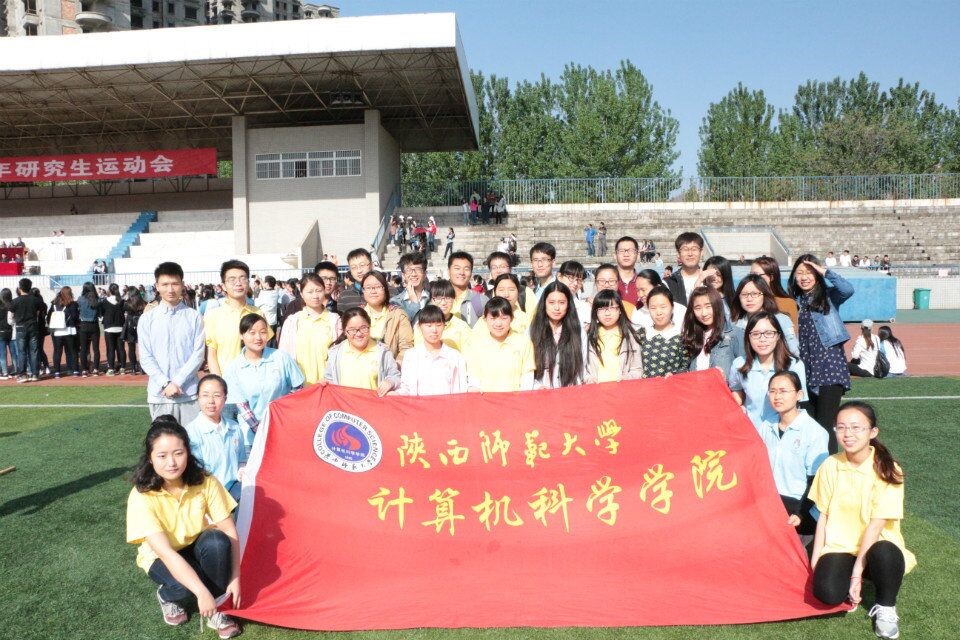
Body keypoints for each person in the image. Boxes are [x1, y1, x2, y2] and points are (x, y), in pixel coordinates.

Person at [126, 416, 242, 638]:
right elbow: (166, 552)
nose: (172, 462)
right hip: (161, 555)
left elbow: (229, 531)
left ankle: (217, 609)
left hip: (194, 543)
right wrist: (201, 591)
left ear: (188, 452)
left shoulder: (205, 481)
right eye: (162, 456)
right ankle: (167, 596)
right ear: (150, 458)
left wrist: (235, 578)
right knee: (184, 587)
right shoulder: (141, 496)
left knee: (217, 541)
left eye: (178, 453)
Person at [809, 402, 915, 640]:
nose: (848, 434)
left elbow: (876, 526)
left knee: (885, 552)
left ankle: (886, 606)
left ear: (872, 432)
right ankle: (853, 574)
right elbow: (823, 516)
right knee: (826, 594)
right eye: (841, 427)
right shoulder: (830, 465)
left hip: (877, 544)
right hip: (841, 547)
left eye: (856, 427)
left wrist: (857, 574)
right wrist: (815, 563)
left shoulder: (888, 469)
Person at [788, 254, 854, 451]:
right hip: (806, 369)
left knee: (825, 427)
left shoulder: (829, 297)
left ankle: (829, 468)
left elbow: (847, 289)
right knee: (810, 426)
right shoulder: (795, 302)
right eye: (799, 273)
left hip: (829, 367)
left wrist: (824, 271)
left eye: (809, 272)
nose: (804, 277)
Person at [759, 371, 829, 537]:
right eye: (772, 391)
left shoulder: (815, 432)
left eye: (783, 391)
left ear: (799, 395)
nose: (777, 396)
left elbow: (816, 480)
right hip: (770, 500)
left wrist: (800, 513)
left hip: (799, 504)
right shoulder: (766, 425)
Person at [138, 262, 205, 424]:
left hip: (189, 394)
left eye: (175, 284)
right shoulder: (147, 319)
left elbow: (198, 355)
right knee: (162, 439)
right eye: (165, 284)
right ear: (157, 286)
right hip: (159, 395)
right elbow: (146, 357)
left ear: (182, 284)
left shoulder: (194, 317)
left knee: (191, 439)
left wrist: (177, 382)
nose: (170, 289)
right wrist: (165, 383)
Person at [224, 314, 304, 439]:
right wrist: (261, 431)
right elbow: (242, 406)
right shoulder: (233, 368)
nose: (258, 337)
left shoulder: (281, 357)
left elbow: (298, 388)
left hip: (284, 429)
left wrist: (283, 411)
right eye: (252, 333)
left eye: (263, 332)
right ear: (241, 335)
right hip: (251, 436)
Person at [727, 311, 807, 429]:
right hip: (751, 431)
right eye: (755, 334)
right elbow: (736, 389)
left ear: (778, 336)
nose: (762, 339)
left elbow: (800, 402)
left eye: (769, 333)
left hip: (782, 432)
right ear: (748, 337)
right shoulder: (739, 364)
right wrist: (736, 408)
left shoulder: (794, 365)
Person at [185, 375, 247, 503]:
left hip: (233, 489)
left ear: (225, 398)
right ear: (198, 397)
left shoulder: (234, 427)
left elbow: (241, 460)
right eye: (205, 395)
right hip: (206, 493)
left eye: (217, 395)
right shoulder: (191, 432)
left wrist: (242, 471)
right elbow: (195, 471)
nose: (211, 401)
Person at [204, 260, 272, 376]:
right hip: (227, 380)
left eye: (243, 278)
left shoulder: (258, 313)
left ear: (248, 283)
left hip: (256, 378)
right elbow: (212, 355)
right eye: (232, 279)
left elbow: (265, 349)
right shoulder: (213, 316)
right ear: (223, 286)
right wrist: (220, 383)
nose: (238, 283)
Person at [278, 273, 341, 385]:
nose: (315, 296)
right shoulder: (293, 321)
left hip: (327, 384)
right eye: (310, 292)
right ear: (302, 294)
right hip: (300, 386)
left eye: (319, 291)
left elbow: (340, 354)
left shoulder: (334, 320)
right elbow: (284, 355)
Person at [464, 297, 535, 392]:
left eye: (504, 318)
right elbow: (473, 379)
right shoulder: (476, 344)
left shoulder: (523, 342)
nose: (498, 324)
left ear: (511, 318)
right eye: (493, 318)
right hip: (485, 399)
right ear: (485, 319)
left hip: (515, 399)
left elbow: (527, 377)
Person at [324, 308, 400, 396]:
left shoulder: (383, 352)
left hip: (372, 403)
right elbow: (329, 379)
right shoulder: (335, 353)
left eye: (363, 328)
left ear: (369, 326)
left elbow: (395, 376)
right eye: (352, 330)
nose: (359, 334)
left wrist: (390, 382)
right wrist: (325, 382)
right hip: (344, 404)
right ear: (344, 331)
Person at [398, 304, 468, 396]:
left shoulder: (455, 357)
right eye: (429, 325)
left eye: (438, 325)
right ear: (419, 327)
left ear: (444, 326)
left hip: (447, 404)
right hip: (418, 405)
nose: (434, 330)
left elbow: (461, 389)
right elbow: (406, 388)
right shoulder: (411, 356)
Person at [530, 281, 587, 389]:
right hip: (541, 392)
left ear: (568, 304)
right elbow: (526, 368)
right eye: (551, 302)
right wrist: (537, 386)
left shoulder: (578, 332)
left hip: (571, 391)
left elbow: (583, 366)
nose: (557, 308)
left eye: (562, 302)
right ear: (544, 303)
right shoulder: (532, 331)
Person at [681, 285, 743, 377]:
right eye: (698, 308)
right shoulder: (691, 336)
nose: (704, 313)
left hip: (723, 386)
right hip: (696, 385)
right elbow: (686, 370)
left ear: (717, 305)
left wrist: (725, 378)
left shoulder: (735, 334)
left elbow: (745, 372)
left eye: (708, 306)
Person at [731, 274, 799, 355]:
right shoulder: (735, 324)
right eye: (744, 294)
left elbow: (793, 351)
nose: (749, 299)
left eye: (755, 294)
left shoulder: (781, 320)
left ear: (765, 295)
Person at [585, 289, 643, 383]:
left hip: (622, 388)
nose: (607, 313)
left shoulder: (630, 336)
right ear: (595, 312)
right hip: (595, 388)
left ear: (620, 310)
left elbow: (637, 369)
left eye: (612, 308)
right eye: (601, 309)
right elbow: (581, 369)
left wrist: (628, 378)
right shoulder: (588, 336)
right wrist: (589, 379)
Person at [362, 270, 413, 365]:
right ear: (363, 291)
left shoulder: (398, 315)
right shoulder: (356, 315)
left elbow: (406, 347)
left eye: (378, 287)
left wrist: (395, 366)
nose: (373, 291)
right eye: (368, 288)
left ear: (385, 289)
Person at [637, 285, 687, 378]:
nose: (658, 312)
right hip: (644, 386)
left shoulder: (682, 337)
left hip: (670, 386)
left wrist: (674, 375)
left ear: (672, 307)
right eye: (653, 308)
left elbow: (687, 368)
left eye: (663, 307)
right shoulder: (641, 334)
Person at [418, 279, 472, 352]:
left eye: (448, 298)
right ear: (432, 300)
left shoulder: (462, 326)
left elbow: (467, 354)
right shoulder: (422, 324)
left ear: (454, 299)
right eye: (438, 298)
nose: (443, 303)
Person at [750, 256, 799, 332]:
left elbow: (793, 334)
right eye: (751, 275)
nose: (752, 279)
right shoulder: (747, 301)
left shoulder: (788, 303)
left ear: (771, 277)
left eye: (756, 275)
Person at [10, 277, 41, 381]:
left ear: (20, 288)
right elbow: (39, 312)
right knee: (34, 351)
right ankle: (35, 374)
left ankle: (22, 374)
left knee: (21, 352)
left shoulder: (15, 301)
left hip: (20, 327)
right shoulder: (35, 300)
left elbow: (11, 316)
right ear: (30, 288)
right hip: (33, 326)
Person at [447, 251, 488, 327]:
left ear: (471, 273)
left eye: (466, 269)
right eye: (457, 268)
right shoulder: (437, 299)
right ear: (448, 271)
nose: (461, 272)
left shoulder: (481, 300)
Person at [47, 287, 81, 378]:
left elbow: (49, 317)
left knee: (57, 352)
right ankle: (74, 370)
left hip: (57, 331)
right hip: (69, 330)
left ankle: (57, 372)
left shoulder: (54, 304)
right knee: (72, 351)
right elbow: (75, 317)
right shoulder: (73, 304)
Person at [390, 252, 431, 323]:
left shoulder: (433, 298)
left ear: (425, 274)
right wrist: (414, 303)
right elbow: (400, 324)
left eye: (418, 269)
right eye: (409, 270)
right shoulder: (395, 302)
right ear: (403, 275)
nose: (414, 274)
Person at [664, 232, 704, 304]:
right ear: (678, 254)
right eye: (685, 249)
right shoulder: (668, 283)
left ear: (701, 252)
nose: (690, 254)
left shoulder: (710, 280)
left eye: (694, 249)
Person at [76, 281, 104, 377]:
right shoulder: (98, 299)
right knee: (96, 349)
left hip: (83, 325)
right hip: (94, 325)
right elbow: (100, 314)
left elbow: (78, 311)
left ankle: (84, 370)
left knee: (83, 349)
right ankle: (96, 369)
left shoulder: (80, 299)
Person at [336, 248, 374, 313]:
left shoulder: (387, 290)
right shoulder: (344, 296)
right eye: (354, 267)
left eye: (362, 265)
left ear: (371, 265)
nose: (359, 271)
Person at [699, 255, 736, 321]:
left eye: (718, 274)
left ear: (725, 275)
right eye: (710, 274)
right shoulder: (701, 295)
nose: (714, 278)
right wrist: (700, 279)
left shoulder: (735, 299)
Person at [555, 260, 591, 326]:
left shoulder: (585, 308)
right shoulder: (547, 301)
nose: (575, 283)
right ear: (559, 276)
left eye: (579, 280)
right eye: (571, 278)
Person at [102, 283, 127, 376]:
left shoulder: (105, 301)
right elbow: (124, 311)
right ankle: (123, 368)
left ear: (109, 290)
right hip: (120, 326)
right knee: (121, 348)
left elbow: (102, 312)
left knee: (110, 349)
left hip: (109, 327)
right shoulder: (121, 301)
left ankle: (111, 369)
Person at [613, 236, 640, 305]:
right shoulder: (605, 281)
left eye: (631, 251)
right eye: (621, 251)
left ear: (638, 255)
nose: (626, 254)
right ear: (615, 255)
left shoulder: (644, 282)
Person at [124, 289, 145, 375]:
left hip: (130, 325)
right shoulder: (143, 303)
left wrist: (126, 298)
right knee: (142, 348)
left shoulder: (127, 304)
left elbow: (123, 309)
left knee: (131, 348)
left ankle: (133, 368)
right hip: (140, 324)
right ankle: (142, 368)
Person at [254, 275, 280, 344]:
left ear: (267, 284)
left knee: (266, 341)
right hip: (273, 320)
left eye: (265, 282)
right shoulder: (276, 292)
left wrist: (257, 290)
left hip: (266, 321)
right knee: (272, 340)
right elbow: (265, 287)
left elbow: (256, 304)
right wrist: (260, 280)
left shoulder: (263, 293)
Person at [0, 288, 15, 380]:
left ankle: (5, 372)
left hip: (1, 332)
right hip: (11, 331)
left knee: (2, 354)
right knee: (14, 353)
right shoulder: (12, 305)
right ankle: (16, 370)